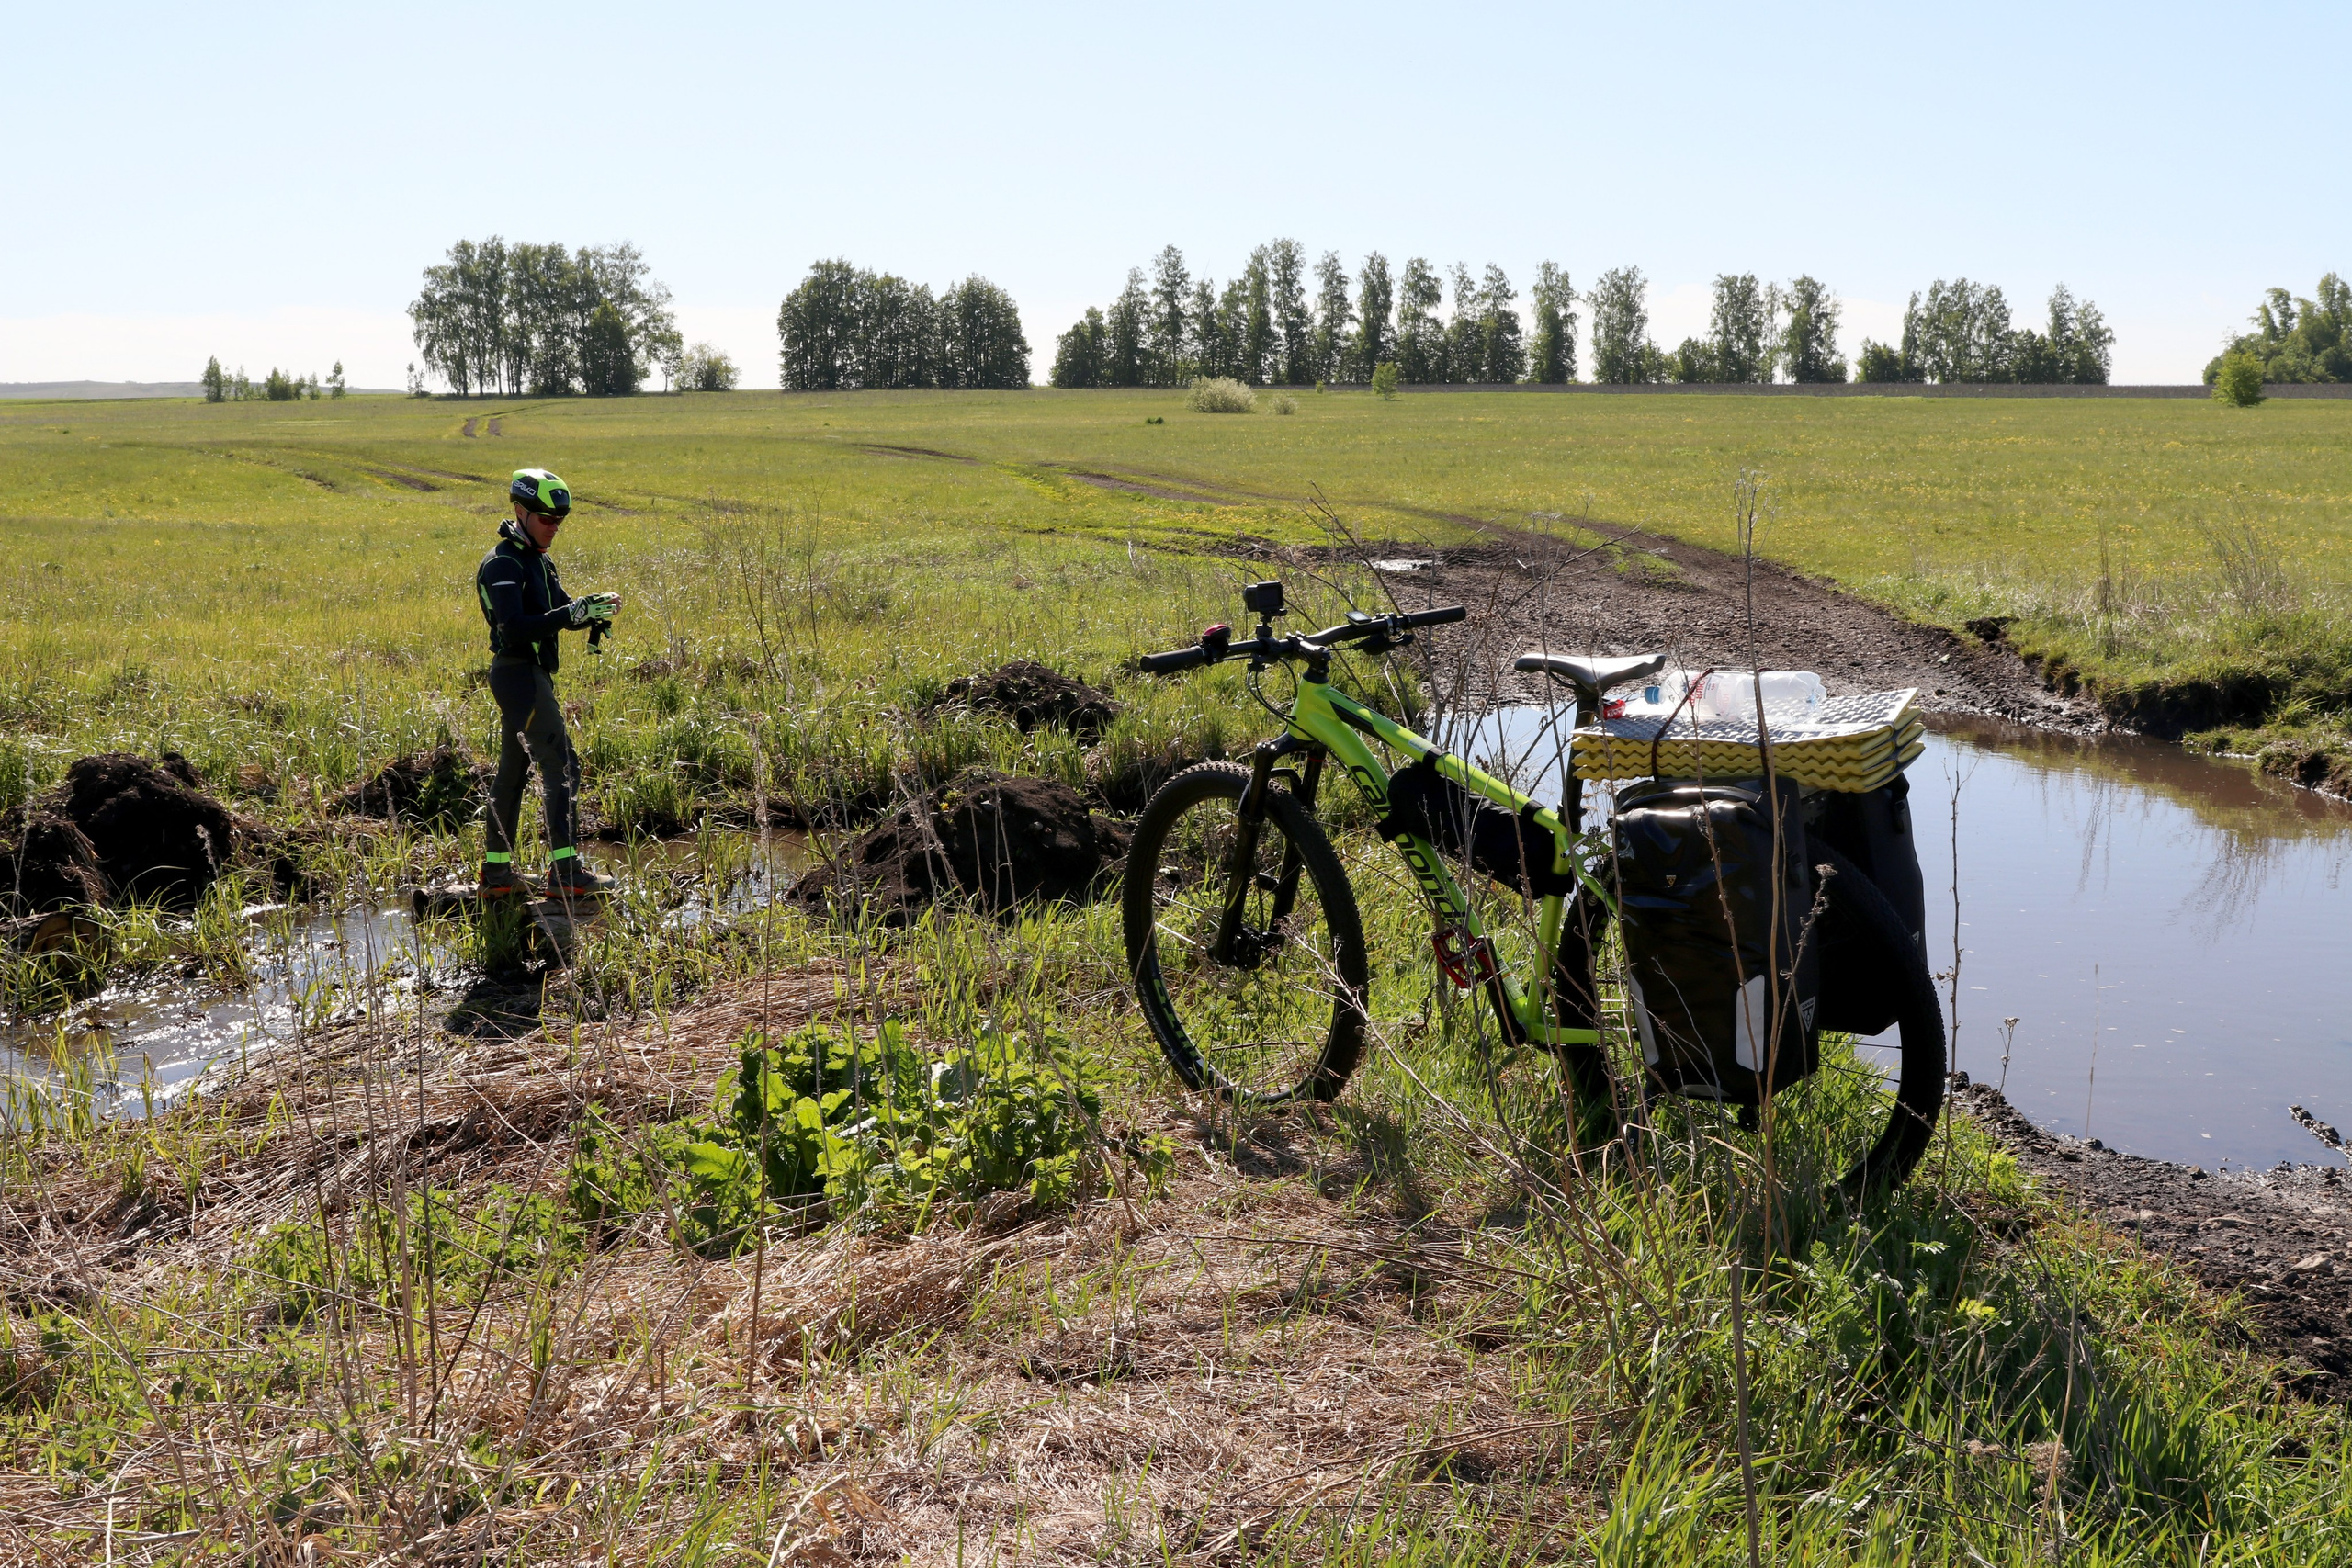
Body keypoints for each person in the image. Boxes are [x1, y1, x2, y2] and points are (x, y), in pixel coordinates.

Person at [474, 468, 621, 898]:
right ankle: (565, 871)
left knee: (513, 773)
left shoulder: (538, 559)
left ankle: (497, 876)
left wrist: (589, 611)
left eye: (560, 521)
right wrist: (571, 614)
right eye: (546, 519)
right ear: (520, 511)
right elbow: (516, 626)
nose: (554, 528)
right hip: (518, 674)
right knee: (563, 766)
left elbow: (559, 612)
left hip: (530, 676)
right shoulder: (503, 562)